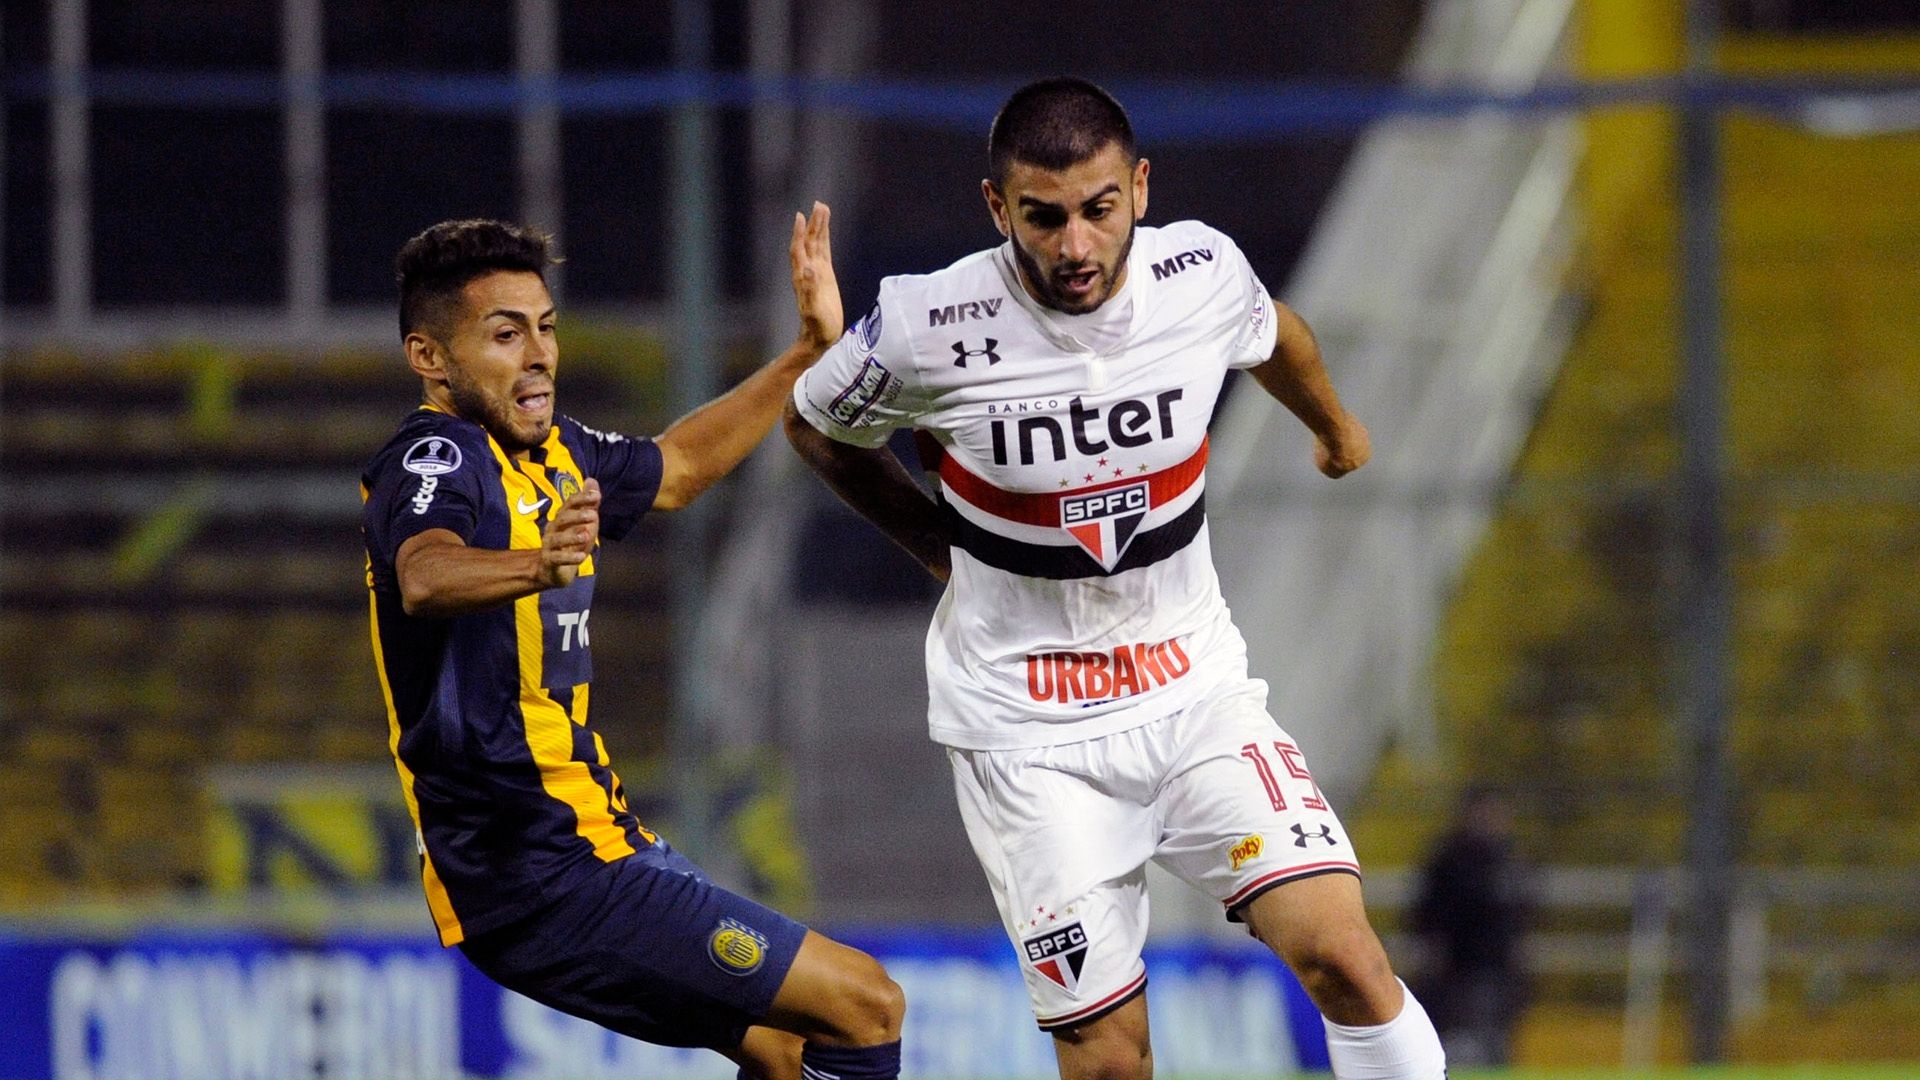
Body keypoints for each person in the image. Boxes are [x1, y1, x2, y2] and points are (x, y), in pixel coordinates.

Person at [785, 78, 1446, 1080]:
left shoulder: (1200, 271)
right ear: (998, 208)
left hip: (1194, 694)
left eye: (1099, 210)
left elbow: (1277, 335)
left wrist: (1337, 429)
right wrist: (936, 545)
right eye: (1043, 218)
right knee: (1106, 1058)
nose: (1076, 246)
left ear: (1139, 187)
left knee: (1345, 957)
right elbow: (815, 423)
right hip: (1028, 734)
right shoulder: (929, 324)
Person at [361, 210, 904, 1080]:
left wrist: (807, 350)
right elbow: (425, 575)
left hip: (588, 844)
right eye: (504, 335)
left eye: (545, 329)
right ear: (430, 358)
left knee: (792, 1046)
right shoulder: (435, 456)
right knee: (866, 1001)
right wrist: (535, 565)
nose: (537, 354)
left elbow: (678, 467)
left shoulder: (556, 454)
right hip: (537, 869)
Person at [1411, 787, 1532, 1066]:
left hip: (1499, 969)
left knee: (1495, 1044)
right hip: (1458, 971)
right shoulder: (1449, 859)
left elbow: (1522, 913)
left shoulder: (1509, 857)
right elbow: (1427, 915)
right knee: (1460, 1044)